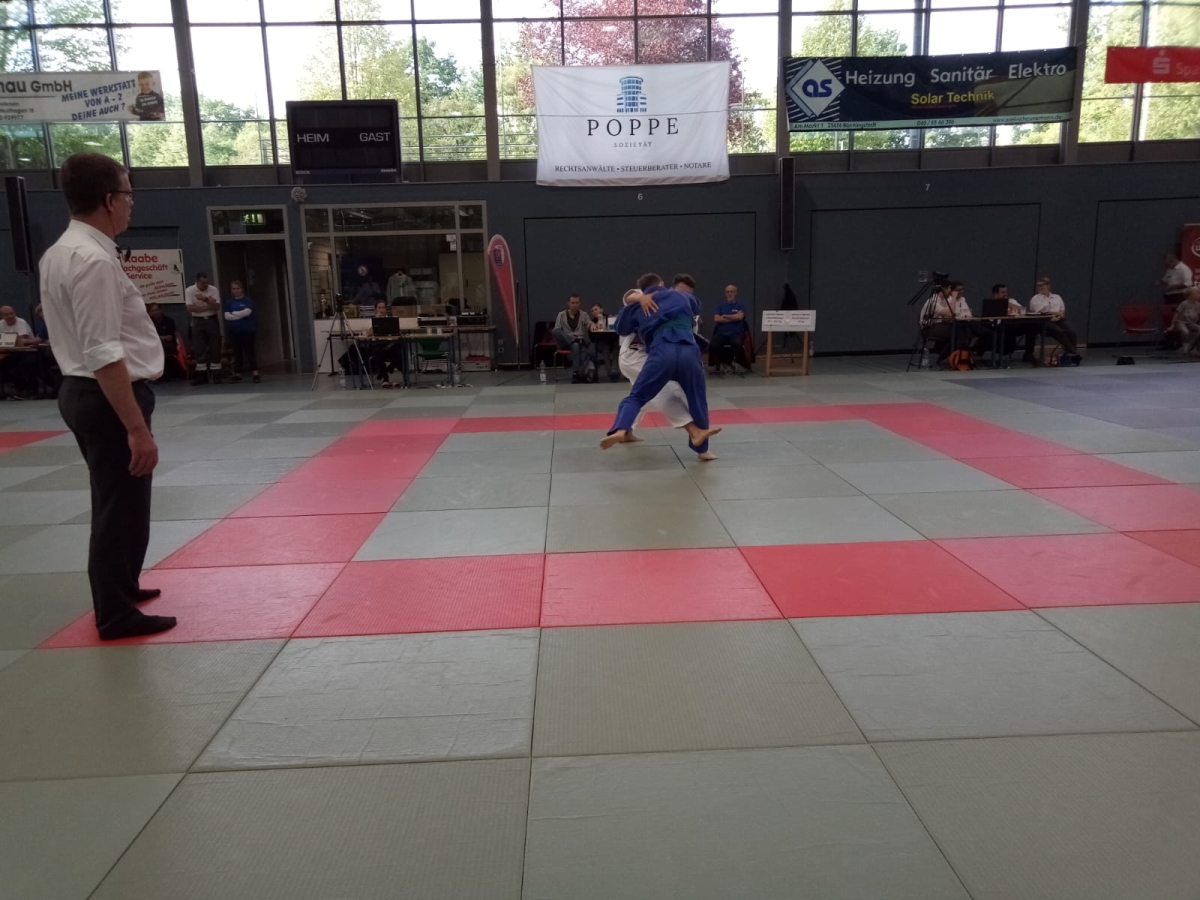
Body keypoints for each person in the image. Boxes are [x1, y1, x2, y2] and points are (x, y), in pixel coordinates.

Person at [39, 152, 175, 640]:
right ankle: (115, 613)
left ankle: (123, 586)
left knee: (123, 501)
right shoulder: (93, 259)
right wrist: (136, 427)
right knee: (119, 505)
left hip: (87, 392)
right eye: (128, 194)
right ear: (108, 199)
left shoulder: (62, 252)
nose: (132, 203)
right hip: (107, 396)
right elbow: (102, 351)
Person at [602, 273, 721, 455]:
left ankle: (620, 429)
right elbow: (696, 306)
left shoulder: (637, 305)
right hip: (687, 352)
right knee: (695, 398)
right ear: (663, 284)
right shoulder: (681, 297)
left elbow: (620, 327)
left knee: (638, 396)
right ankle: (702, 448)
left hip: (661, 352)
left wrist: (639, 307)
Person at [1028, 277, 1080, 361]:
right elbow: (1042, 311)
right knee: (1060, 331)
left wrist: (1058, 316)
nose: (1039, 287)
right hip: (1044, 320)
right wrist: (1056, 313)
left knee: (1071, 331)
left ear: (1048, 286)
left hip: (1058, 319)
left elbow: (1062, 310)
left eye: (1042, 285)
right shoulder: (1035, 299)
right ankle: (1074, 353)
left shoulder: (1057, 297)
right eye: (1038, 285)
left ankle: (1070, 354)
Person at [185, 270, 221, 385]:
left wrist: (205, 299)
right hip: (197, 321)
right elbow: (190, 308)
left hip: (211, 319)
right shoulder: (190, 290)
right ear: (197, 281)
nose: (206, 285)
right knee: (199, 348)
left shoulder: (213, 289)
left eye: (207, 282)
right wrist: (209, 304)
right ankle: (202, 375)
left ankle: (216, 374)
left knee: (215, 346)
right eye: (203, 283)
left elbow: (217, 307)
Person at [552, 293, 596, 383]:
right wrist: (570, 338)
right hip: (564, 342)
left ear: (579, 303)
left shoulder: (583, 315)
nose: (575, 305)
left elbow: (589, 322)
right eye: (572, 303)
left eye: (576, 303)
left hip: (578, 342)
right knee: (555, 330)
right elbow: (557, 329)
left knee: (575, 345)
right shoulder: (561, 315)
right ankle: (573, 340)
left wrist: (592, 324)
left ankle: (575, 373)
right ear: (568, 303)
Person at [0, 304, 41, 398]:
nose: (10, 316)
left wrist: (8, 341)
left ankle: (29, 390)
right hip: (12, 352)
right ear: (2, 316)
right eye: (7, 314)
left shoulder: (21, 322)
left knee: (23, 365)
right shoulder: (0, 324)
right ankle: (11, 391)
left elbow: (22, 340)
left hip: (29, 351)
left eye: (12, 313)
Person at [223, 280, 259, 383]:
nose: (236, 291)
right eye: (234, 289)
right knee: (237, 353)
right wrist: (239, 315)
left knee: (250, 352)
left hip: (247, 330)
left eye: (238, 288)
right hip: (235, 331)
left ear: (242, 289)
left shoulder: (248, 301)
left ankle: (255, 373)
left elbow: (247, 312)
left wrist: (234, 313)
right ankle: (238, 374)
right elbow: (227, 316)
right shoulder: (229, 302)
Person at [711, 283, 751, 371]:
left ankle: (731, 362)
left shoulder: (740, 305)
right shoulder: (720, 306)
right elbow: (716, 318)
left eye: (731, 292)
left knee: (736, 343)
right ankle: (720, 363)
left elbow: (740, 317)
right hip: (721, 334)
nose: (729, 293)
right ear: (725, 293)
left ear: (735, 293)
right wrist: (733, 317)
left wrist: (725, 316)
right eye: (727, 292)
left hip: (736, 334)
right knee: (713, 344)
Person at [146, 302, 186, 380]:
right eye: (153, 311)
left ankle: (162, 374)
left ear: (161, 310)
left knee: (161, 347)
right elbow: (148, 337)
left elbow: (169, 338)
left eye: (157, 310)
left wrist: (157, 337)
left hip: (169, 345)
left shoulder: (169, 321)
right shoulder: (148, 323)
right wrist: (161, 337)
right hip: (153, 345)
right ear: (150, 313)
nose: (155, 312)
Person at [1171, 286, 1200, 356]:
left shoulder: (1198, 305)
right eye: (1197, 293)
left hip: (1191, 323)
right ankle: (1185, 344)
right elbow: (1177, 314)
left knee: (1199, 329)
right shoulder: (1184, 304)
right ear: (1191, 295)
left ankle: (1191, 344)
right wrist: (1172, 325)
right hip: (1181, 322)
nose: (1199, 295)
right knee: (1185, 331)